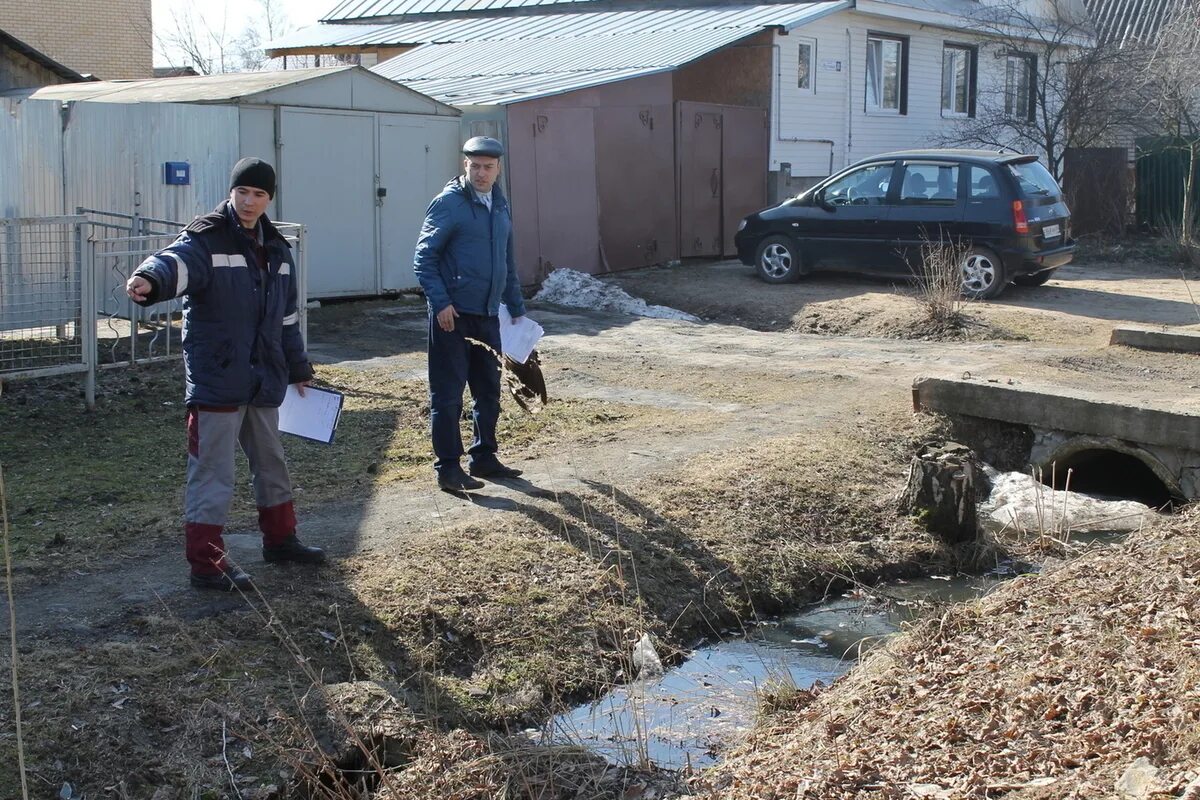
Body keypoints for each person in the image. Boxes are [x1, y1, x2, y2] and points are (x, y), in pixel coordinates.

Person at [126, 157, 325, 591]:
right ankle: (206, 564)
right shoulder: (205, 238)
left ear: (269, 198)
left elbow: (287, 319)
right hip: (217, 377)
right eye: (243, 192)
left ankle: (281, 541)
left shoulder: (278, 249)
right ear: (231, 192)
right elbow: (174, 262)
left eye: (258, 194)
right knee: (213, 472)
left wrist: (298, 368)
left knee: (272, 463)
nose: (249, 202)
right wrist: (150, 280)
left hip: (263, 379)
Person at [414, 136, 527, 492]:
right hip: (453, 315)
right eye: (474, 166)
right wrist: (440, 302)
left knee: (488, 390)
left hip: (488, 314)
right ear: (465, 165)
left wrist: (517, 308)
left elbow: (507, 262)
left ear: (498, 169)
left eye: (487, 167)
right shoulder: (449, 204)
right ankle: (448, 467)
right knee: (448, 395)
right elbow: (424, 258)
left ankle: (484, 457)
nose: (480, 173)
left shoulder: (500, 205)